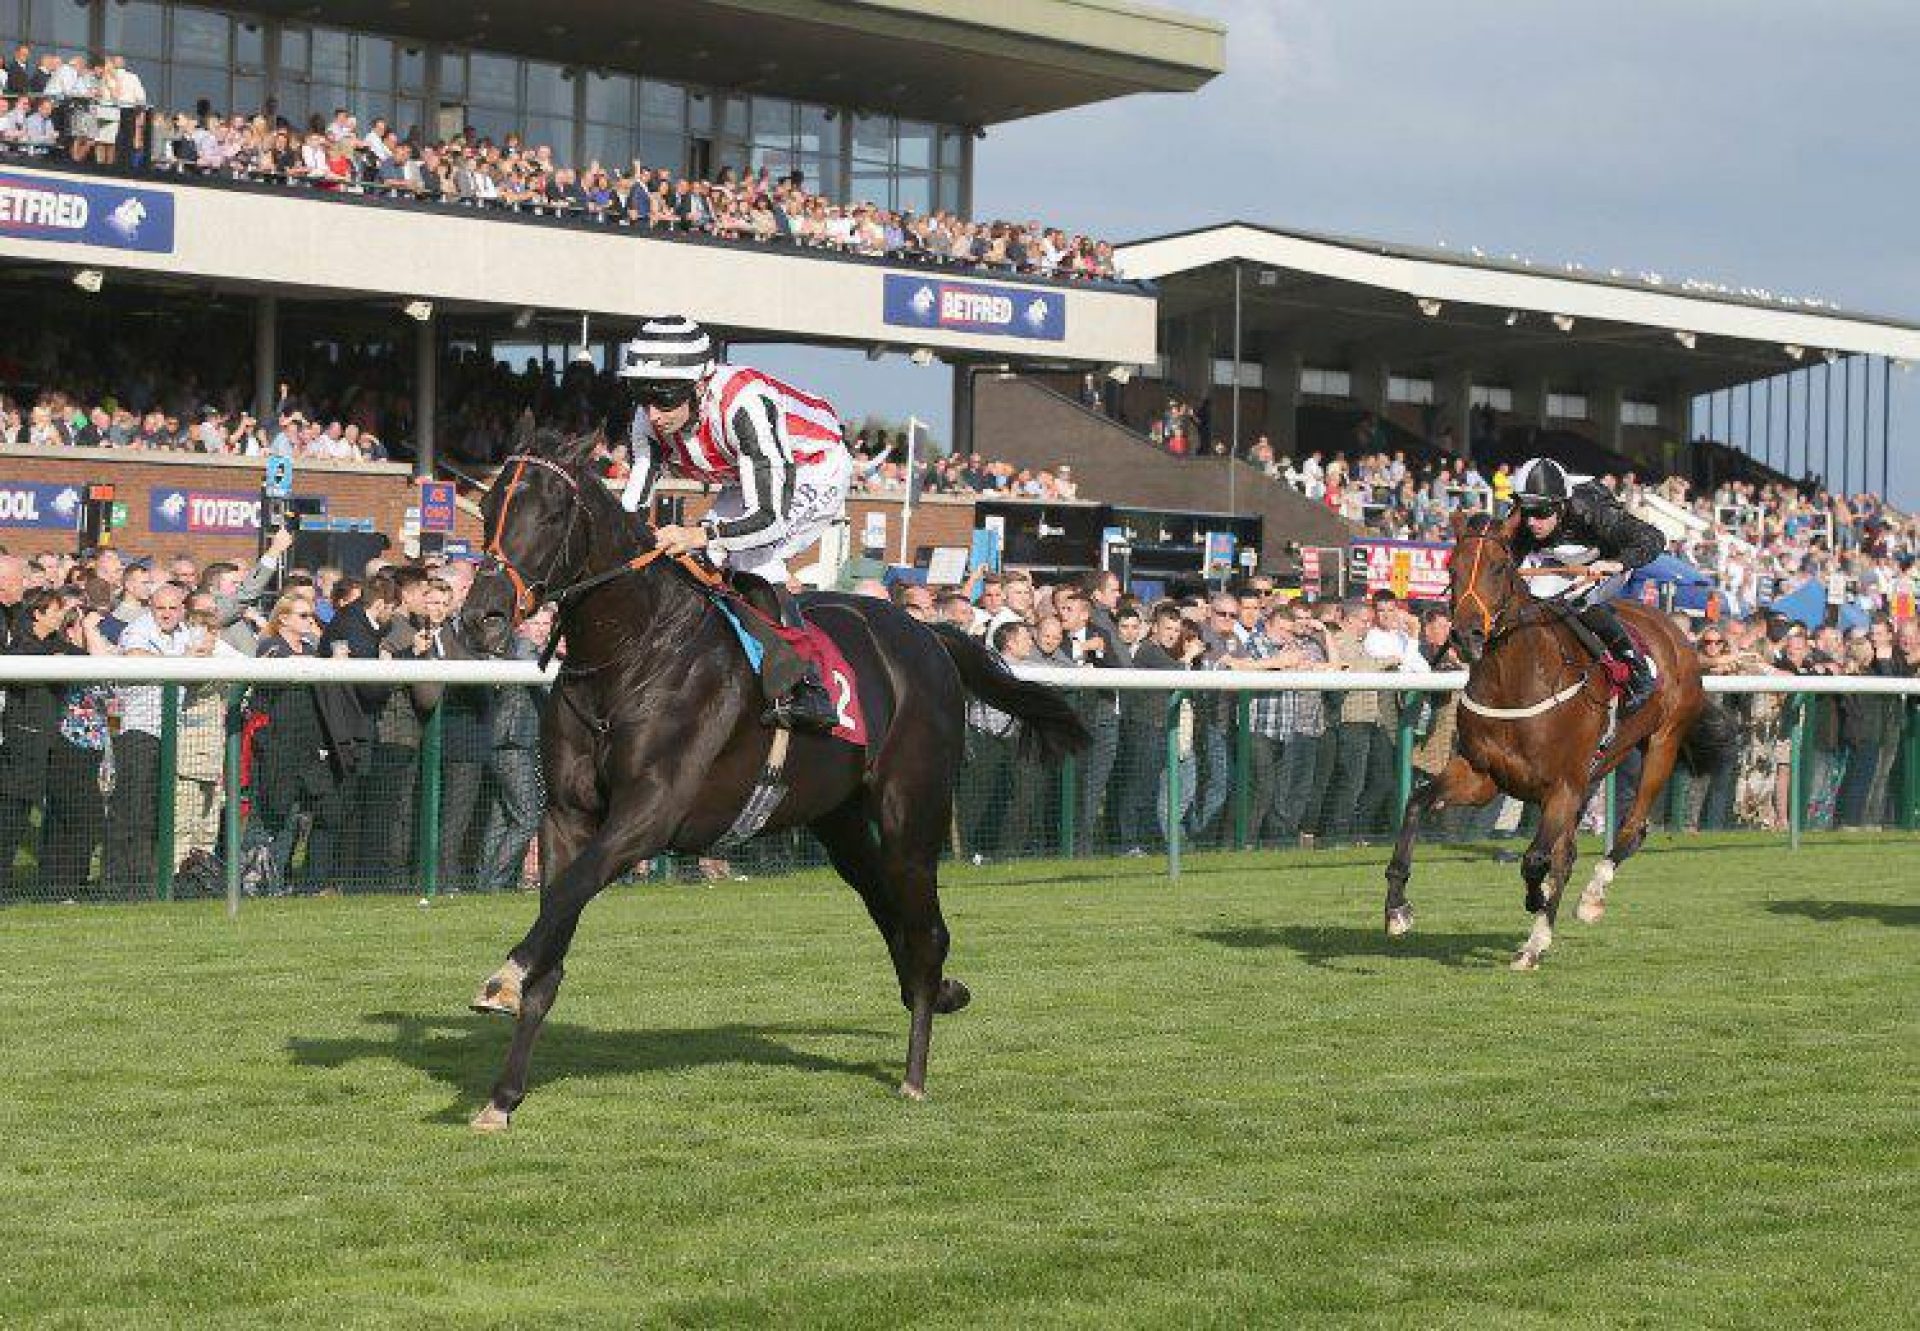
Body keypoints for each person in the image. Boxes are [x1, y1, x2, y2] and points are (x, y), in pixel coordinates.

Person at [615, 315, 848, 731]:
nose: (653, 414)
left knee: (750, 555)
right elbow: (632, 506)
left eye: (666, 398)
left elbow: (768, 519)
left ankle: (809, 686)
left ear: (701, 384)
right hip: (746, 474)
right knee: (702, 560)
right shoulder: (648, 418)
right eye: (643, 396)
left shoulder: (746, 403)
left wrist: (698, 533)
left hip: (812, 466)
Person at [1509, 456, 1665, 712]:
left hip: (1605, 560)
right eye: (1526, 511)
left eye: (1541, 513)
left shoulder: (1593, 510)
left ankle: (1636, 666)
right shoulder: (1523, 516)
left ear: (1561, 506)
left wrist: (1616, 564)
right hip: (1560, 558)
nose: (1531, 522)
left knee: (1577, 601)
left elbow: (1654, 538)